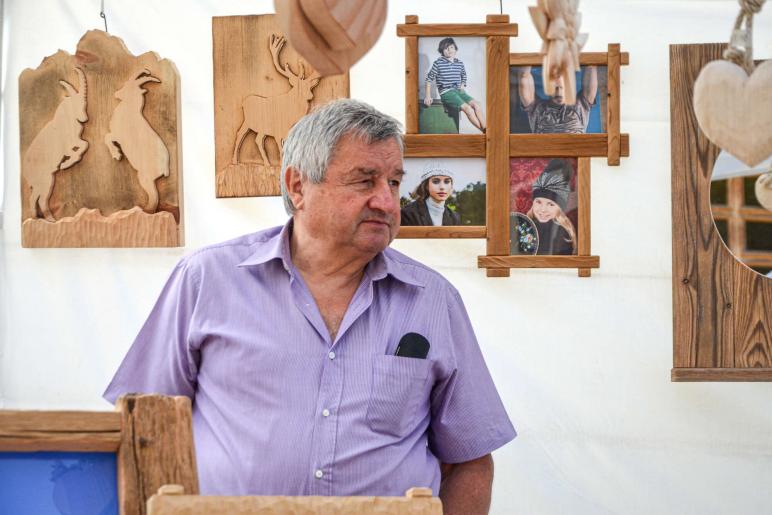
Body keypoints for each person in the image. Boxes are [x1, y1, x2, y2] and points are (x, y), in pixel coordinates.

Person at [104, 99, 515, 513]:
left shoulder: (433, 300)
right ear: (298, 186)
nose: (388, 203)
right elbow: (144, 431)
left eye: (393, 182)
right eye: (364, 181)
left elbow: (469, 460)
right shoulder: (206, 279)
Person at [424, 37, 486, 133]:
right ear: (442, 51)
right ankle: (487, 132)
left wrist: (462, 84)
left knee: (477, 105)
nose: (449, 50)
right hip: (447, 92)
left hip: (459, 91)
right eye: (446, 48)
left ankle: (487, 129)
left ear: (455, 49)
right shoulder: (438, 63)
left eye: (451, 47)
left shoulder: (459, 63)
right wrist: (428, 96)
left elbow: (464, 75)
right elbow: (429, 79)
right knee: (468, 109)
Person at [516, 65, 598, 134]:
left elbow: (591, 66)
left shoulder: (581, 105)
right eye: (554, 87)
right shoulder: (537, 108)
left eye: (562, 87)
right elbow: (524, 75)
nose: (558, 91)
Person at [527, 159, 576, 255]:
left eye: (551, 204)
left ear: (560, 208)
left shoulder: (563, 235)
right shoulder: (526, 225)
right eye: (538, 202)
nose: (543, 209)